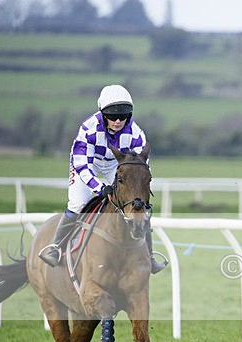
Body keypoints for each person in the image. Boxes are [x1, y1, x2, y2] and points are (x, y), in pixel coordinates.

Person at [38, 84, 168, 274]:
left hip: (118, 165)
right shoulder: (88, 129)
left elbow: (141, 169)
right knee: (77, 204)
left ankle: (149, 255)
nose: (118, 120)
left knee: (138, 209)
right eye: (112, 115)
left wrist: (139, 196)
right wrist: (99, 188)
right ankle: (55, 248)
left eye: (123, 115)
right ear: (102, 113)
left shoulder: (136, 134)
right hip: (88, 164)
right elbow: (82, 165)